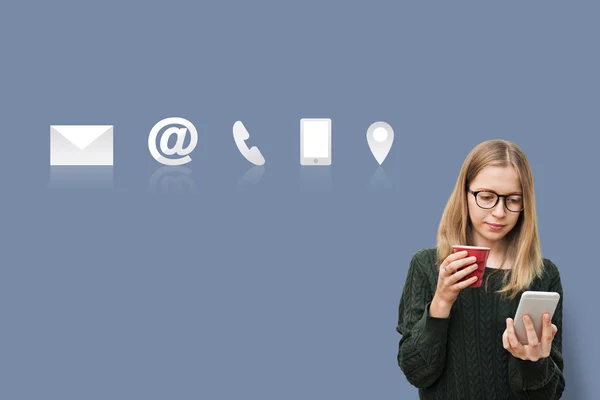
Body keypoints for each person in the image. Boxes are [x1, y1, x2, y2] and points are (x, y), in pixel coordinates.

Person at [396, 139, 565, 399]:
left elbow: (551, 394)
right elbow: (416, 372)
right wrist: (441, 302)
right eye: (486, 197)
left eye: (513, 200)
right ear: (464, 193)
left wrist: (531, 361)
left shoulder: (543, 275)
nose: (499, 212)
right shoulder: (427, 266)